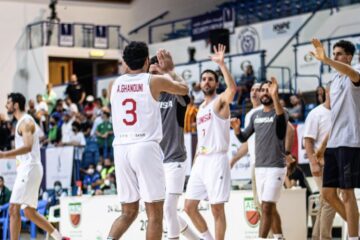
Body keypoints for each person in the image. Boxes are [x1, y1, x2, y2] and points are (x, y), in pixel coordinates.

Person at [107, 41, 189, 240]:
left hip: (120, 148)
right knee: (155, 213)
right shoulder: (153, 81)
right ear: (146, 60)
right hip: (144, 146)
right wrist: (170, 70)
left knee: (127, 212)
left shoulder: (113, 84)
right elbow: (184, 90)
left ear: (125, 62)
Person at [184, 44, 236, 240]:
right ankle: (207, 238)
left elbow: (232, 89)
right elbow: (201, 139)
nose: (207, 82)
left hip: (217, 159)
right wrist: (196, 158)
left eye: (210, 79)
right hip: (202, 160)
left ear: (216, 83)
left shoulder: (219, 102)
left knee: (216, 209)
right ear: (200, 83)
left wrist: (222, 65)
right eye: (204, 79)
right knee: (189, 207)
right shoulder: (200, 108)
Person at [310, 38, 360, 240]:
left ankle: (354, 236)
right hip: (334, 143)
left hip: (350, 141)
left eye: (339, 53)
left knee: (346, 193)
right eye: (334, 53)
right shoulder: (335, 81)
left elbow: (354, 74)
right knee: (328, 194)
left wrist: (327, 59)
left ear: (348, 57)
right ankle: (356, 221)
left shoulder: (353, 72)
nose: (336, 56)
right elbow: (336, 117)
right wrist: (322, 146)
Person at [0, 93, 67, 240]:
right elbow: (21, 152)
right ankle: (60, 237)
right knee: (29, 212)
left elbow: (28, 147)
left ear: (16, 105)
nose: (6, 106)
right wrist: (4, 156)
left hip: (29, 168)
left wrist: (4, 155)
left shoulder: (26, 122)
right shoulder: (22, 122)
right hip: (28, 168)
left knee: (13, 208)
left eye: (8, 103)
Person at [149, 56, 199, 240]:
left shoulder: (174, 94)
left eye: (157, 73)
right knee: (163, 209)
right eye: (152, 73)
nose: (155, 76)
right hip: (154, 161)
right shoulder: (147, 95)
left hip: (175, 159)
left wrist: (169, 72)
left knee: (169, 207)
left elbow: (187, 97)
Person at [231, 78, 288, 240]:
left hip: (276, 166)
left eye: (267, 90)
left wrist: (275, 96)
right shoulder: (255, 115)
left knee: (267, 206)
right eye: (262, 90)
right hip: (259, 167)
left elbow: (281, 131)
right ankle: (279, 237)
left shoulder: (282, 112)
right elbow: (243, 138)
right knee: (268, 207)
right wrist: (236, 130)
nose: (264, 93)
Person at [303, 83, 335, 240]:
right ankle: (325, 237)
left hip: (335, 162)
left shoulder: (339, 112)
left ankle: (316, 236)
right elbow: (307, 140)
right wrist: (313, 163)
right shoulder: (316, 113)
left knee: (325, 201)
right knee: (330, 200)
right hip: (320, 163)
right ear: (328, 92)